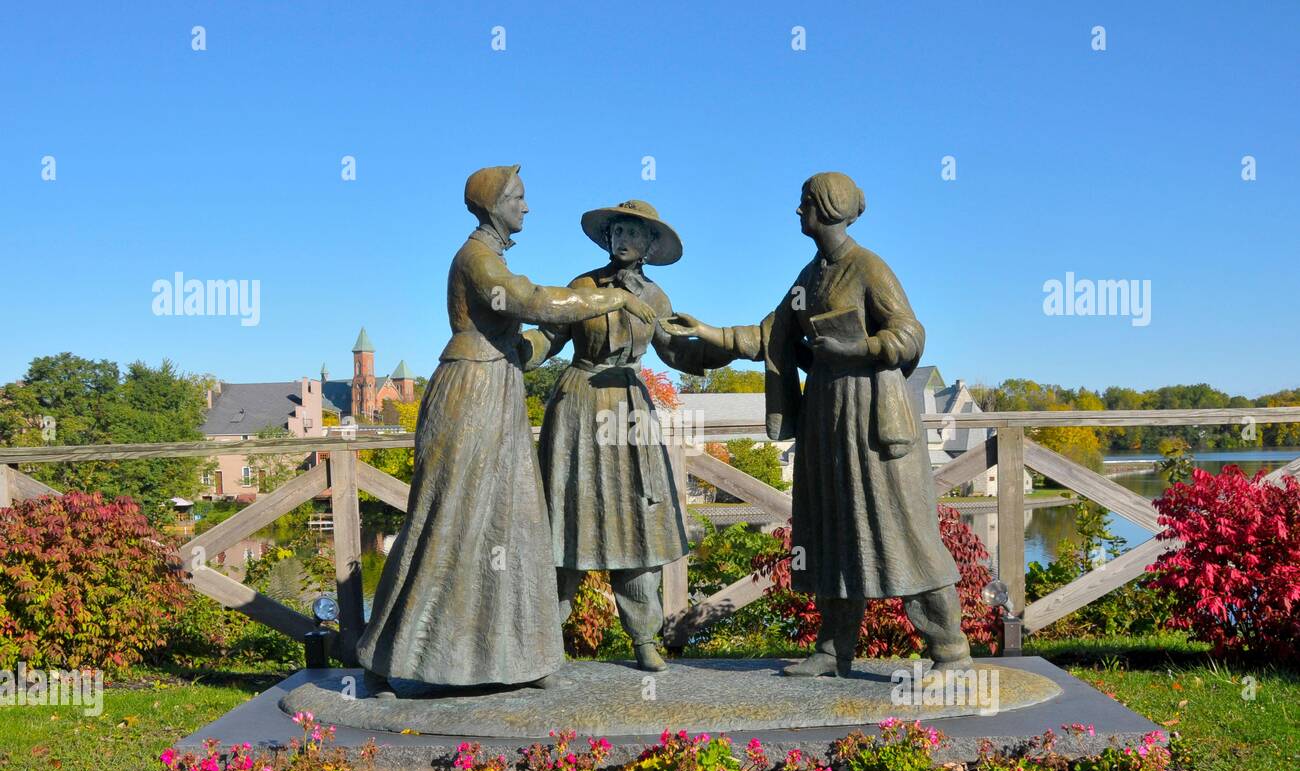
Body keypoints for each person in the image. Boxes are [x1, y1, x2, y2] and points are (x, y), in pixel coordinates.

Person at [357, 166, 658, 695]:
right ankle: (390, 655)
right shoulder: (477, 260)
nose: (527, 206)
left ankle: (520, 655)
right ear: (494, 204)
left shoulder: (490, 257)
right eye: (519, 198)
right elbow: (533, 302)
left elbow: (531, 332)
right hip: (471, 392)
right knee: (449, 516)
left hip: (499, 386)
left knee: (513, 522)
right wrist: (612, 298)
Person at [662, 171, 974, 676]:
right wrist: (708, 331)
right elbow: (770, 333)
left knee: (903, 531)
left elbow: (910, 335)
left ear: (828, 207)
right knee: (831, 533)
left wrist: (860, 347)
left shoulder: (869, 268)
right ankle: (833, 651)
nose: (797, 210)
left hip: (873, 421)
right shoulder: (809, 278)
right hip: (825, 419)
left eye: (804, 201)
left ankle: (951, 651)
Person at [523, 199, 707, 671]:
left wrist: (715, 349)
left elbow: (673, 350)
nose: (623, 239)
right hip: (579, 405)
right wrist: (514, 352)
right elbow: (549, 335)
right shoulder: (583, 286)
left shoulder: (657, 297)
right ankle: (544, 640)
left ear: (649, 244)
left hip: (629, 407)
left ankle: (644, 637)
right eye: (617, 231)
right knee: (566, 517)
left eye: (634, 233)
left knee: (637, 519)